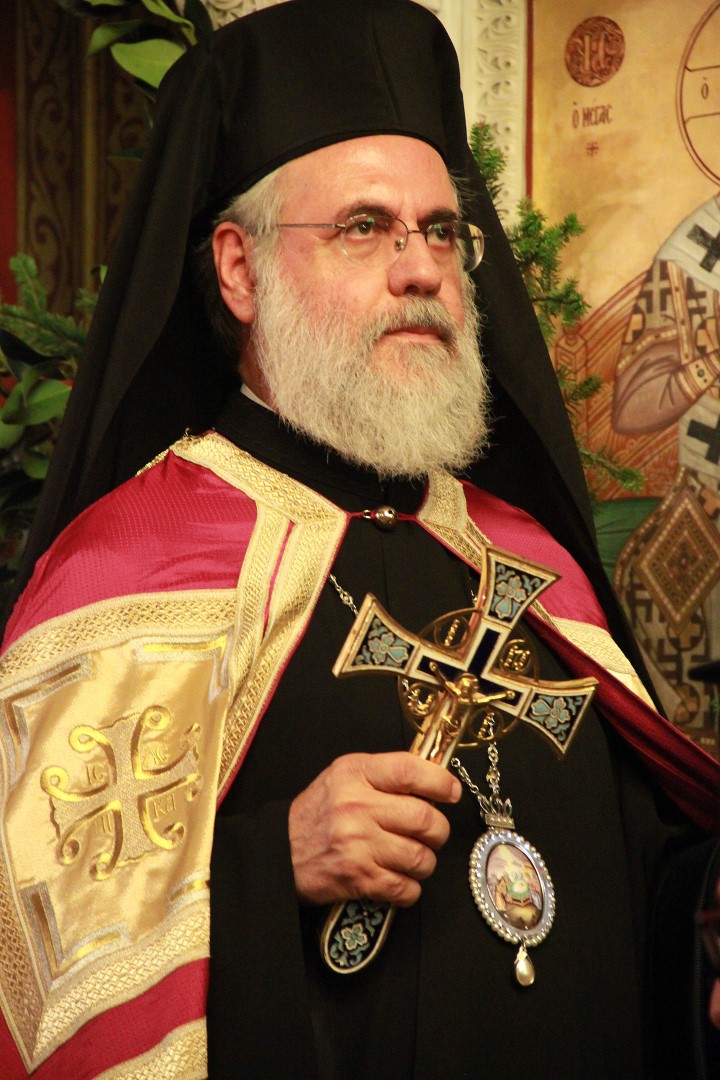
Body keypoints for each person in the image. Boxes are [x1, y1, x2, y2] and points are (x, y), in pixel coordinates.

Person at [0, 2, 718, 1078]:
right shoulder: (131, 567)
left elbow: (635, 886)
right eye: (365, 227)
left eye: (441, 231)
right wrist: (266, 864)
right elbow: (33, 958)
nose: (420, 269)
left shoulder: (528, 561)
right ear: (239, 271)